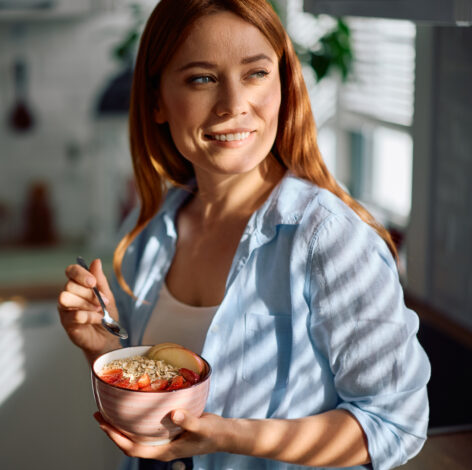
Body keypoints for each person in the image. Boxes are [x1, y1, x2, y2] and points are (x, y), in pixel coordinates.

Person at [57, 1, 431, 469]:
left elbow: (394, 424)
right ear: (156, 101)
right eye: (202, 78)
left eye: (256, 73)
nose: (234, 104)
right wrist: (103, 348)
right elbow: (150, 405)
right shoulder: (148, 232)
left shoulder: (330, 239)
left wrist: (228, 436)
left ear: (283, 84)